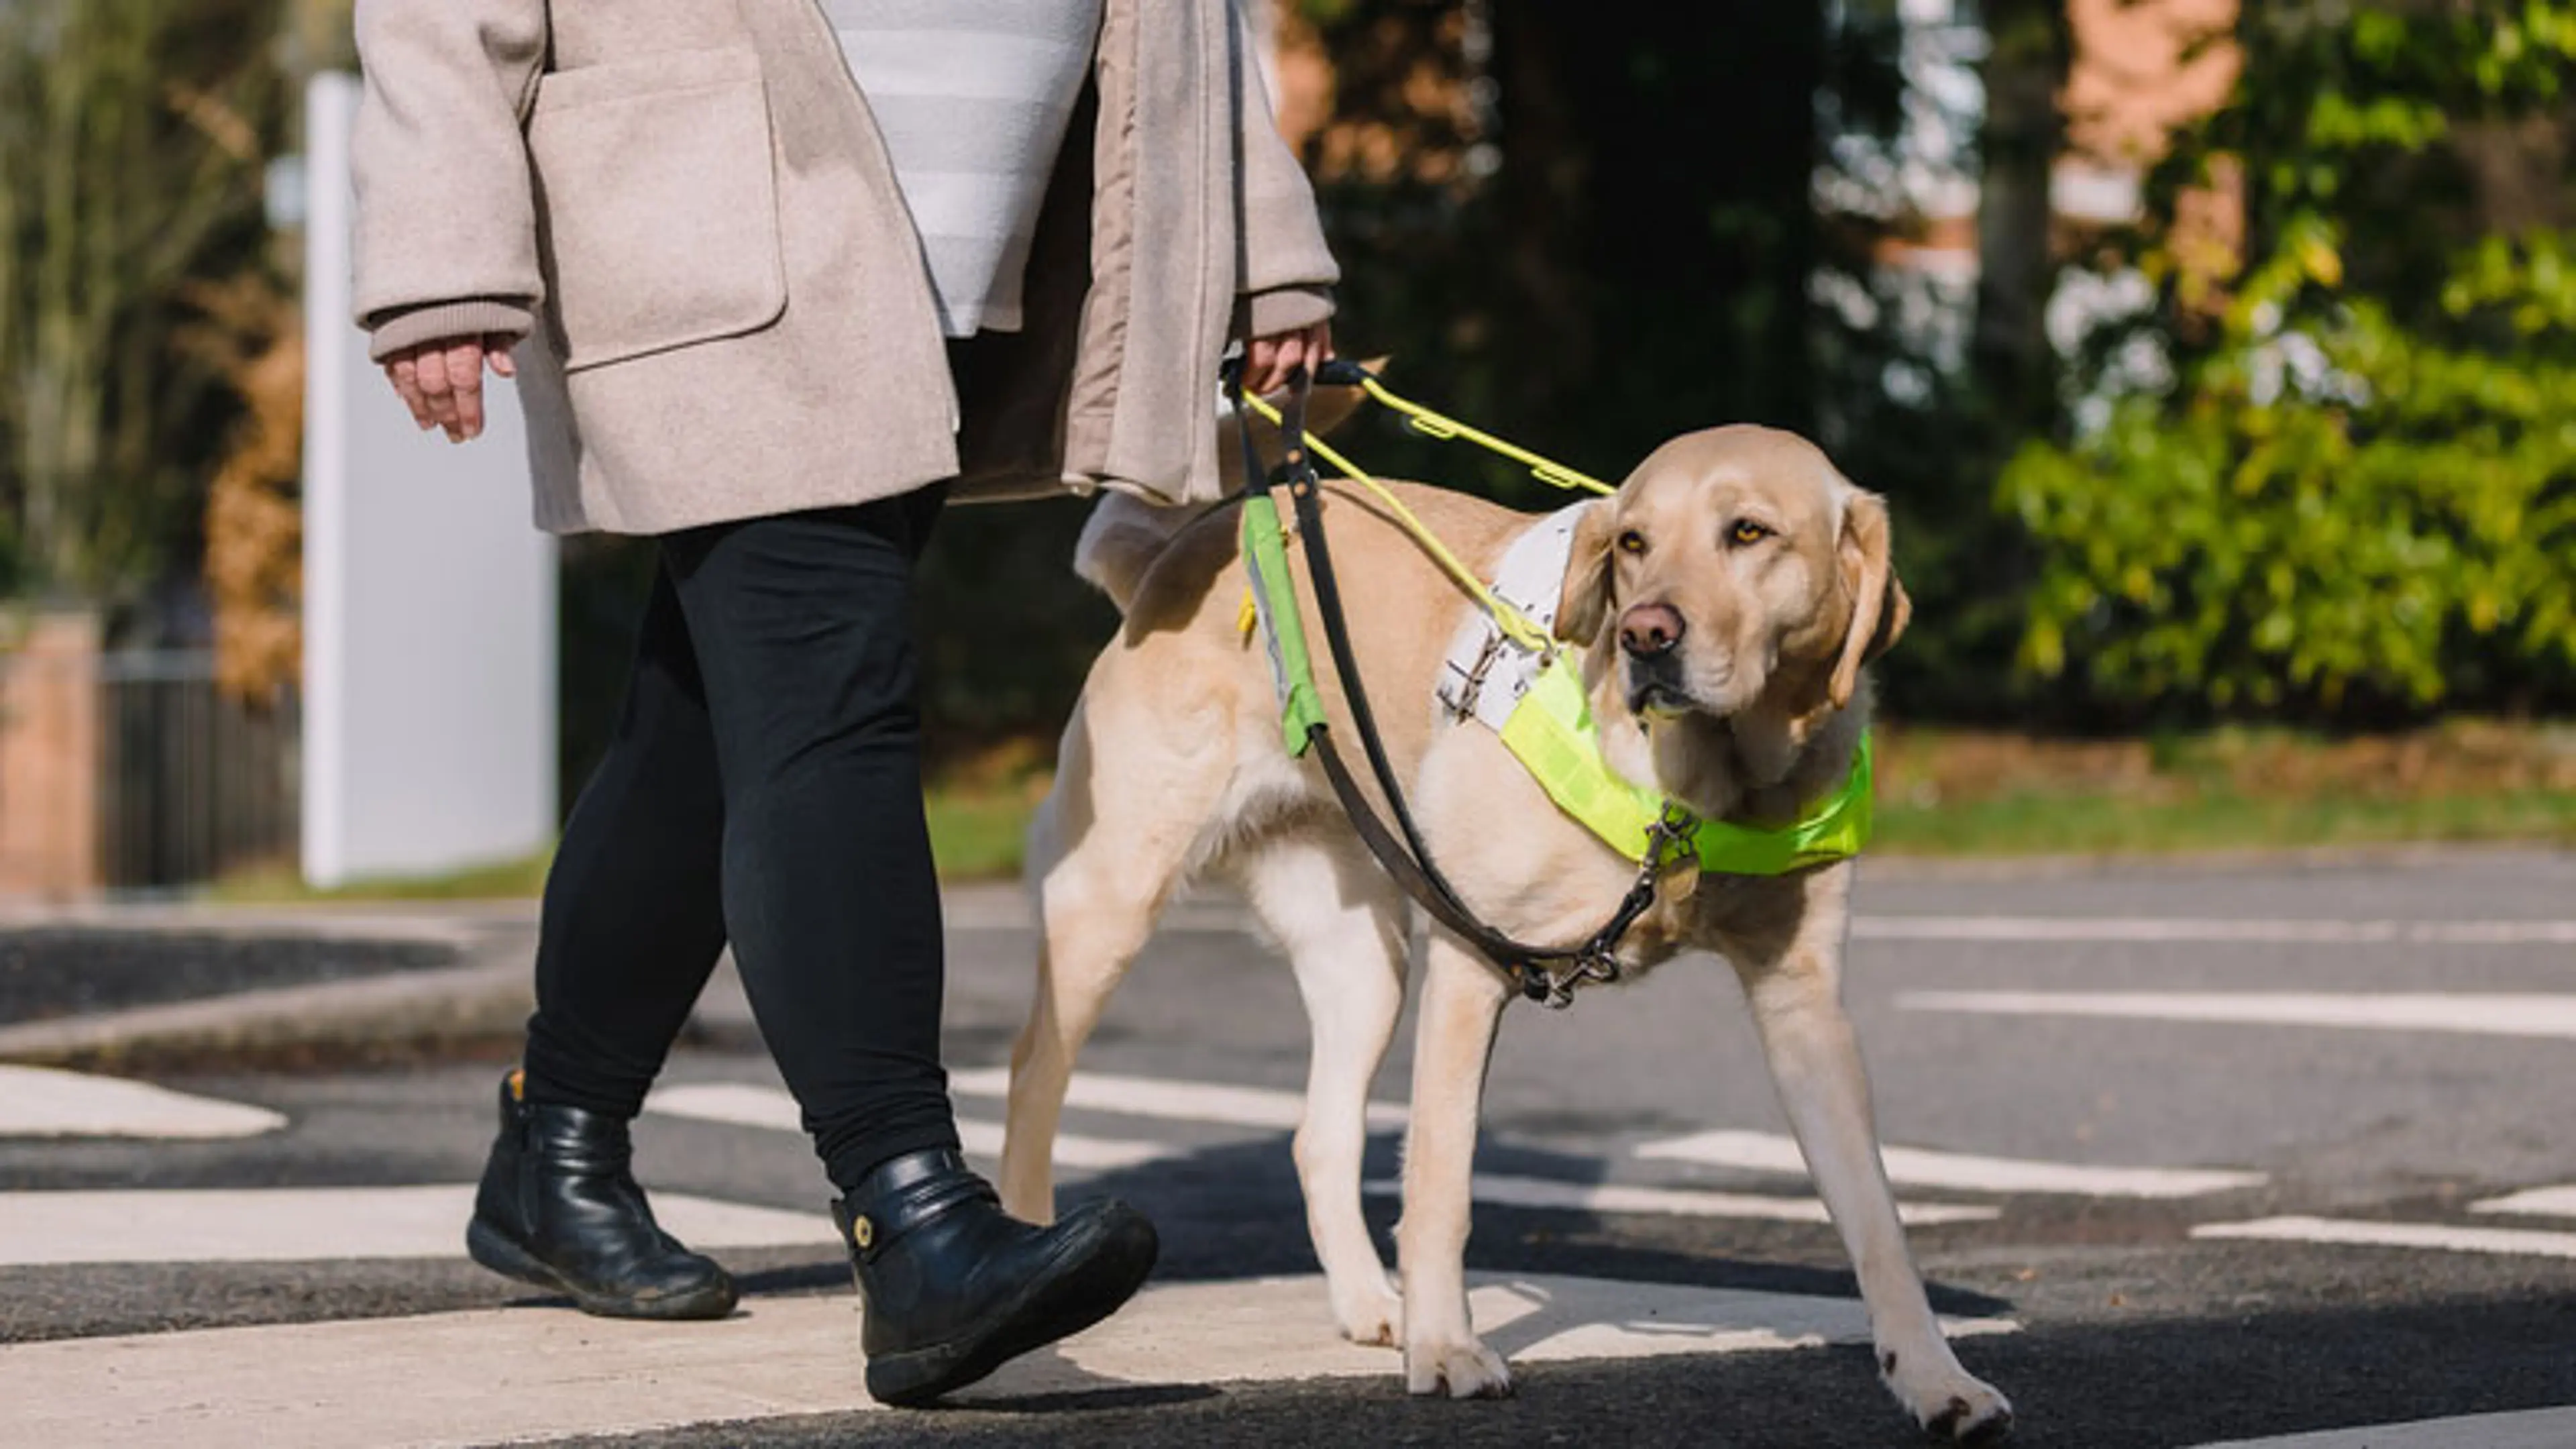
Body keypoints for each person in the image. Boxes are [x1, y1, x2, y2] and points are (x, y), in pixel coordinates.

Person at [348, 0, 1338, 1406]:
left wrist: (1256, 246)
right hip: (717, 210)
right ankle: (914, 1218)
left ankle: (553, 1151)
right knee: (830, 697)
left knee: (710, 725)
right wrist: (440, 256)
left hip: (969, 255)